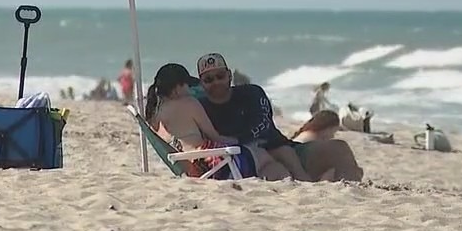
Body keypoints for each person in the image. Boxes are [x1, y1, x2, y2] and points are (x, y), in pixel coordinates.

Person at [196, 52, 363, 182]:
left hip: (286, 149)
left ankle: (350, 198)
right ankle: (313, 184)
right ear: (201, 83)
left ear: (229, 76)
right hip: (254, 161)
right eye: (209, 79)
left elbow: (262, 123)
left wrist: (236, 139)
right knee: (280, 167)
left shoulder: (251, 93)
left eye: (220, 76)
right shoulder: (199, 107)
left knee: (339, 149)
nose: (216, 82)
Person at [146, 63, 290, 181]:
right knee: (265, 157)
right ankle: (287, 187)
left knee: (259, 158)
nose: (189, 89)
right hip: (211, 164)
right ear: (177, 88)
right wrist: (239, 141)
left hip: (188, 165)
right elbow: (214, 136)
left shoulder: (156, 114)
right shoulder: (189, 103)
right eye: (186, 85)